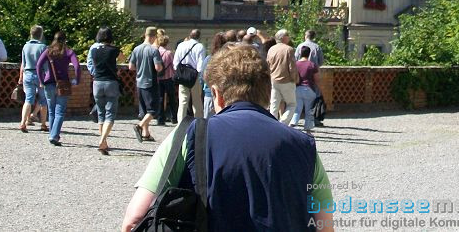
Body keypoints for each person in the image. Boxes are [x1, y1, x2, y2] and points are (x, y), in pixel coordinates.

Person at [121, 44, 333, 232]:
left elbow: (135, 219)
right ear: (268, 93)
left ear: (216, 93)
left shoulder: (190, 135)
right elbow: (324, 226)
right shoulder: (304, 146)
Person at [35, 31, 81, 146]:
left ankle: (52, 134)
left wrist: (41, 80)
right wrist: (77, 80)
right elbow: (77, 67)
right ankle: (54, 136)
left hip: (49, 83)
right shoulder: (68, 52)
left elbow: (38, 65)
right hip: (63, 84)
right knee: (59, 111)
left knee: (51, 111)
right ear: (65, 40)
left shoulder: (48, 51)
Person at [89, 27, 121, 155]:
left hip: (97, 83)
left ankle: (104, 141)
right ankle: (102, 141)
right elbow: (123, 58)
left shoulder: (94, 51)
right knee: (110, 114)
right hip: (110, 83)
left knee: (101, 113)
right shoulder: (114, 50)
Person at [129, 26, 164, 142]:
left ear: (145, 35)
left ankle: (146, 133)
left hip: (139, 83)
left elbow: (131, 67)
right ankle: (139, 126)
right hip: (150, 83)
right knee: (153, 110)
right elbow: (158, 67)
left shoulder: (136, 49)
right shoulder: (154, 50)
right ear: (155, 37)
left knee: (144, 110)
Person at [18, 25, 48, 133]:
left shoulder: (25, 46)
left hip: (28, 73)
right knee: (43, 100)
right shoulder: (43, 47)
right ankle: (43, 124)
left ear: (31, 34)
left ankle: (23, 123)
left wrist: (21, 77)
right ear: (41, 34)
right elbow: (45, 65)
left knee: (28, 99)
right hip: (40, 75)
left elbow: (23, 63)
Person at [266, 29, 298, 124]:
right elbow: (292, 67)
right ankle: (283, 123)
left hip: (273, 80)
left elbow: (268, 65)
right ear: (284, 37)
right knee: (292, 104)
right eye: (288, 35)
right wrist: (295, 79)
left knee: (274, 105)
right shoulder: (289, 49)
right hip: (287, 81)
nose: (289, 37)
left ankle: (272, 124)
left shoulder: (271, 49)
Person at [174, 29, 205, 122]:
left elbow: (175, 62)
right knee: (197, 101)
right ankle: (198, 122)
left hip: (183, 74)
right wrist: (199, 76)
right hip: (194, 75)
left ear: (190, 35)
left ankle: (181, 122)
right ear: (199, 37)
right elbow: (201, 64)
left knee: (183, 101)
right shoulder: (200, 46)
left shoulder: (181, 45)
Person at [291, 46, 320, 133]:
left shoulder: (295, 64)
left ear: (300, 53)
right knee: (309, 110)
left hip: (297, 89)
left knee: (297, 109)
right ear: (309, 54)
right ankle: (308, 128)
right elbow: (317, 79)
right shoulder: (312, 65)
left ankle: (292, 124)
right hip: (309, 89)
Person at [199, 32, 227, 118]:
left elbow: (203, 76)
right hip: (226, 95)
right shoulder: (228, 58)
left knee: (208, 122)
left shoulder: (209, 58)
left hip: (210, 93)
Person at [157, 34, 177, 126]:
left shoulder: (156, 51)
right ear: (167, 43)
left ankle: (160, 119)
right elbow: (174, 66)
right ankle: (174, 117)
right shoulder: (168, 53)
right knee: (172, 98)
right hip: (168, 77)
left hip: (158, 78)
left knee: (160, 98)